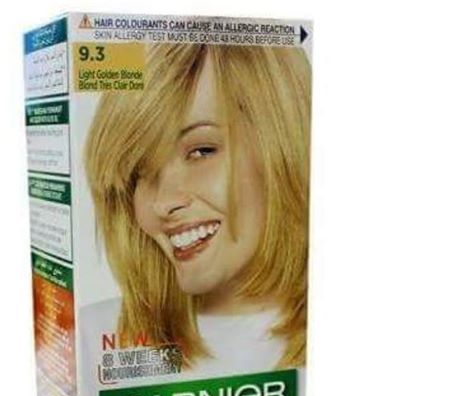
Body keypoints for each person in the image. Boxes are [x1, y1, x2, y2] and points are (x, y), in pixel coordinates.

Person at [84, 43, 311, 375]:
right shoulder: (94, 336)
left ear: (285, 146)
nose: (163, 202)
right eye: (141, 171)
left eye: (202, 151)